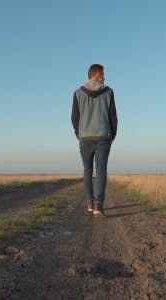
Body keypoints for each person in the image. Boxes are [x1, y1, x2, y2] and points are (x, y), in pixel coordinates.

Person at [71, 64, 118, 217]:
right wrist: (112, 135)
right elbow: (113, 118)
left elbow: (74, 118)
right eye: (103, 74)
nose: (104, 77)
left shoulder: (78, 93)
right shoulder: (109, 92)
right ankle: (98, 206)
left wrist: (79, 134)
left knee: (87, 170)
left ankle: (90, 203)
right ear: (95, 75)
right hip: (104, 137)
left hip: (85, 137)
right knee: (101, 171)